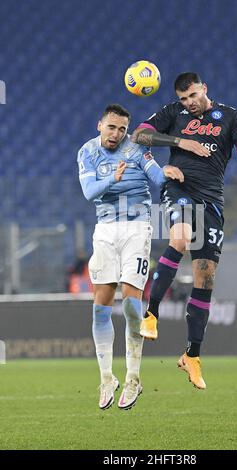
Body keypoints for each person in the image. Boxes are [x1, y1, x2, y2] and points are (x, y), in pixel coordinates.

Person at [131, 72, 237, 390]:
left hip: (212, 201)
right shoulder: (172, 114)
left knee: (205, 275)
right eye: (183, 99)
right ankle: (150, 314)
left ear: (204, 88)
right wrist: (180, 141)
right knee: (178, 238)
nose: (189, 103)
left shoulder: (231, 116)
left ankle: (191, 355)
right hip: (178, 187)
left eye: (193, 95)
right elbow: (139, 136)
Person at [77, 103, 183, 410]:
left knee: (132, 303)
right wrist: (114, 178)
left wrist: (167, 172)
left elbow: (156, 176)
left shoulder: (135, 149)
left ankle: (134, 378)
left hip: (137, 226)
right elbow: (89, 192)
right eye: (112, 127)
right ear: (100, 125)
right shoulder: (87, 152)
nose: (117, 134)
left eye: (122, 129)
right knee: (101, 306)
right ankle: (107, 377)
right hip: (105, 229)